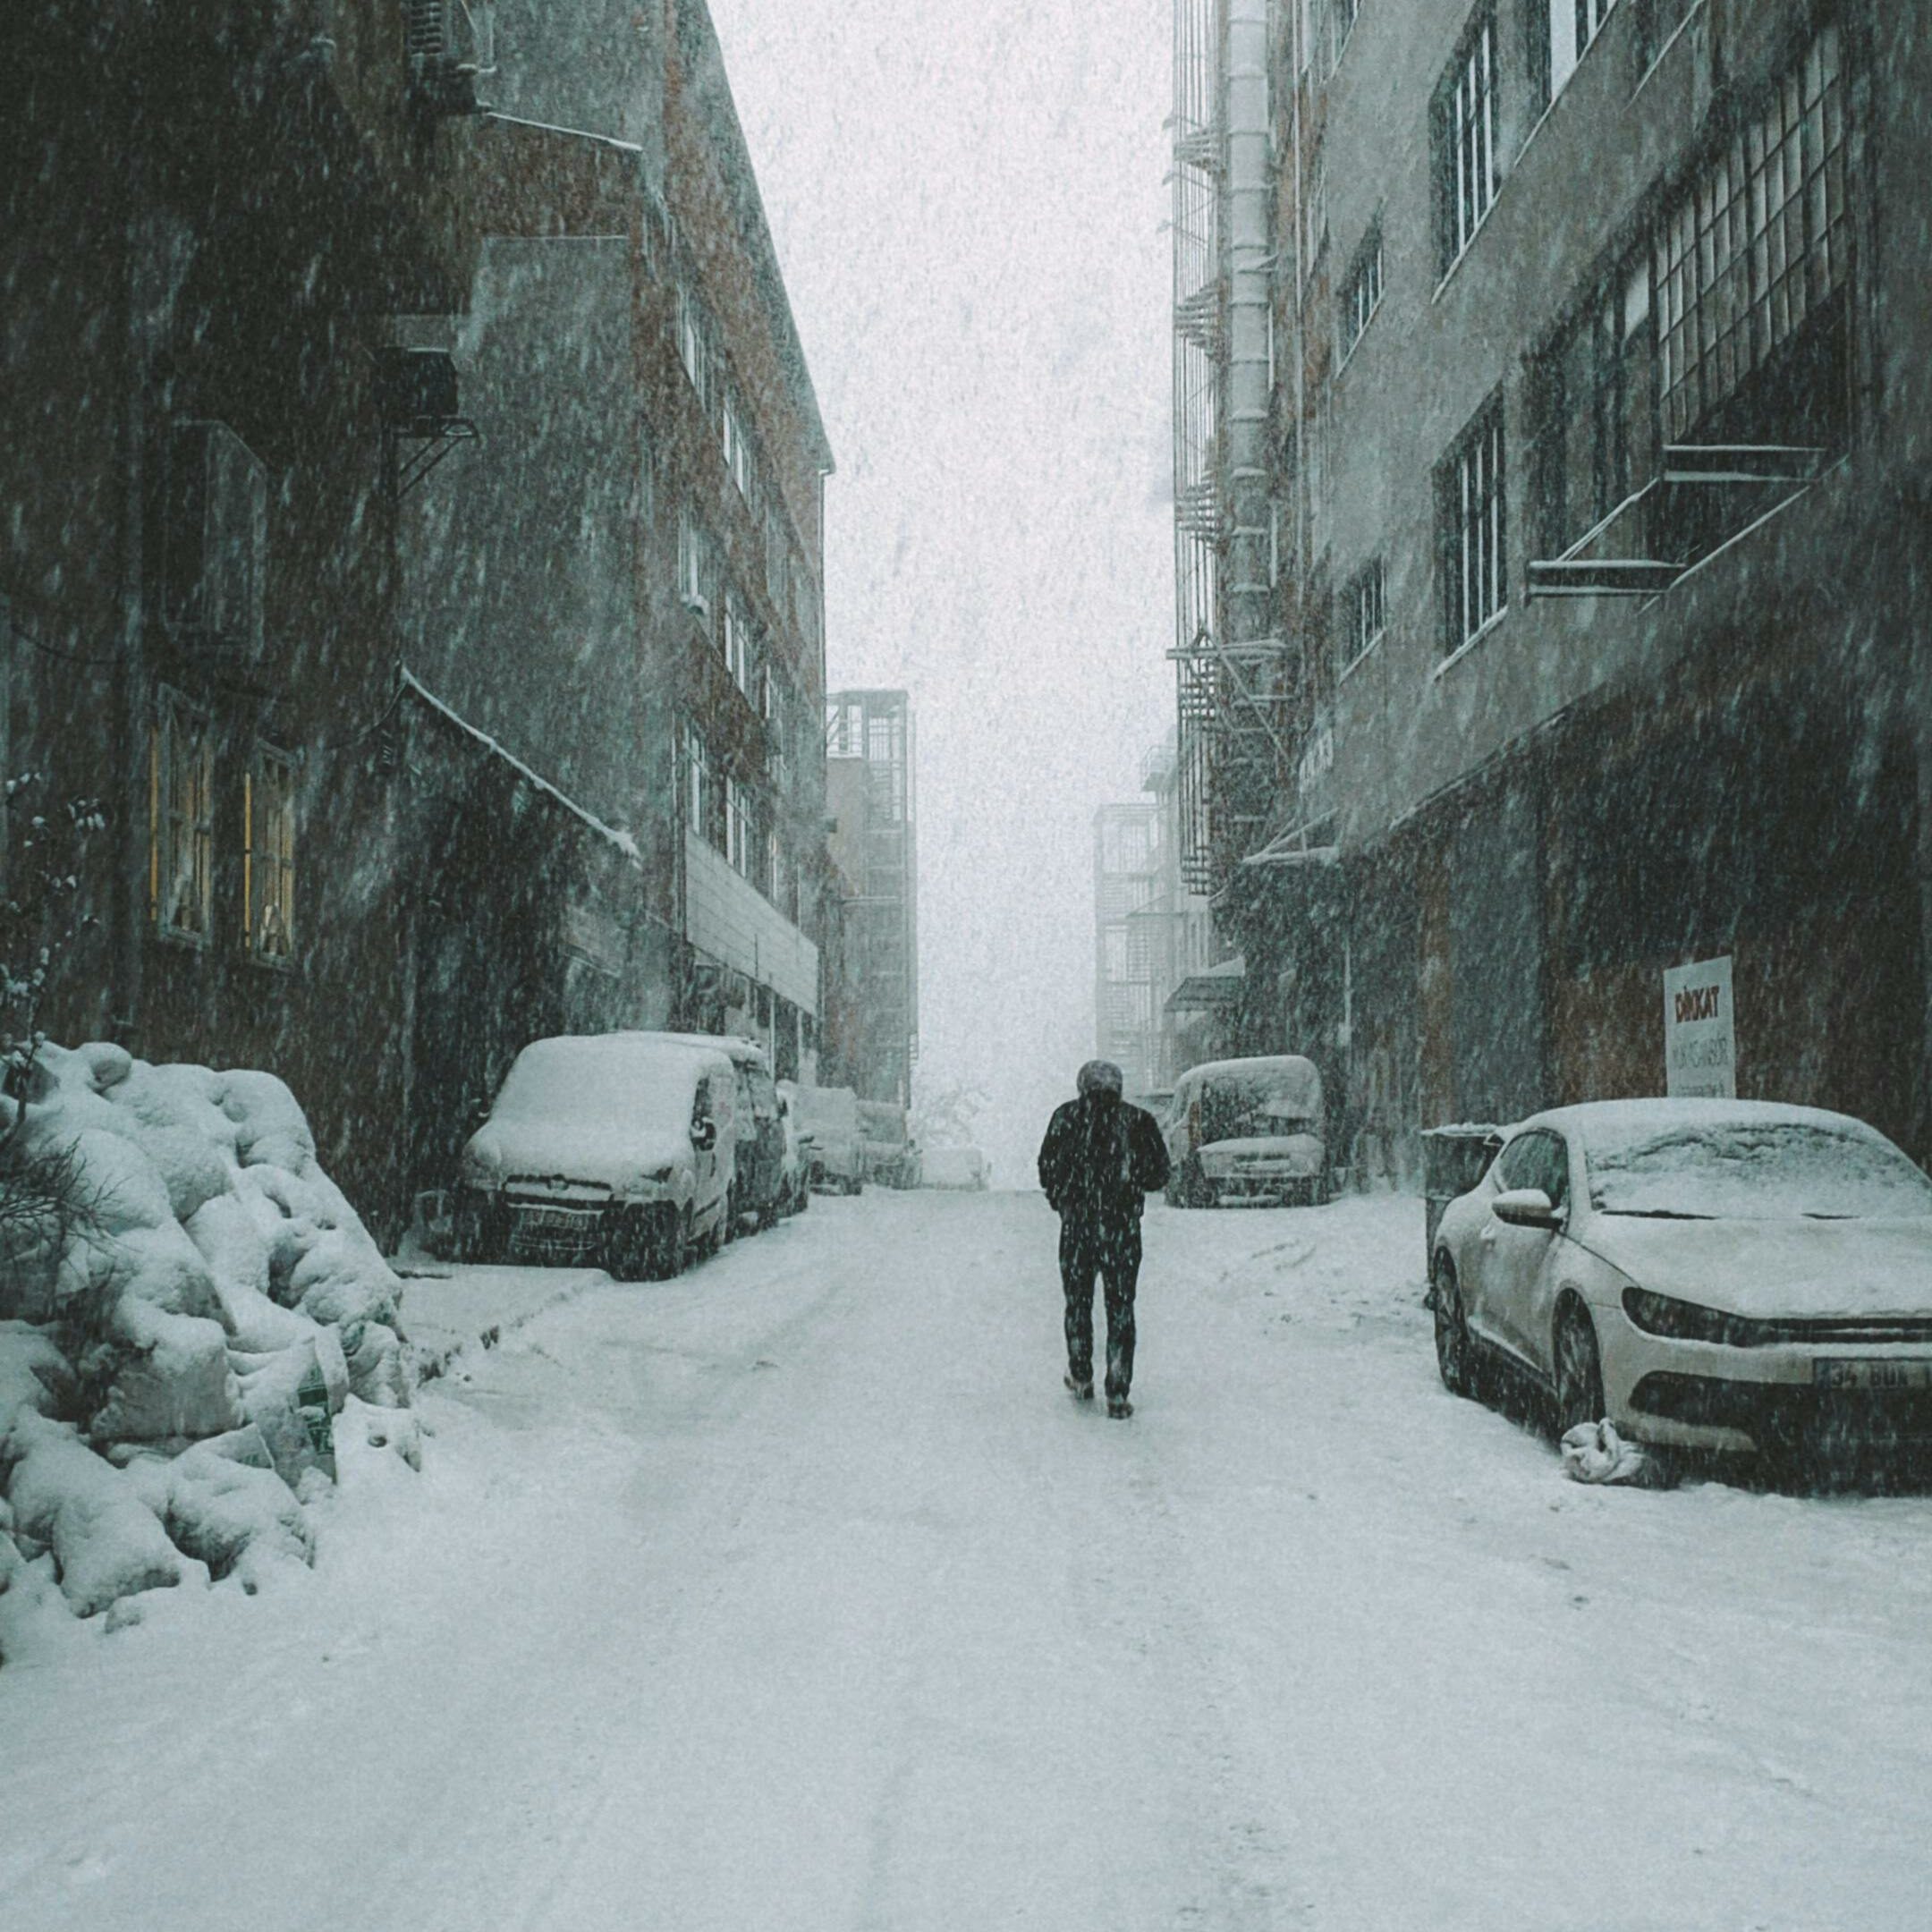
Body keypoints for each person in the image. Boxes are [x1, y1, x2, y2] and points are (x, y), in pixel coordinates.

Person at [1036, 1060, 1171, 1419]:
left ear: (1082, 1085)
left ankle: (1081, 1375)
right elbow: (1160, 1173)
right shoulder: (1138, 1121)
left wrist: (1064, 1201)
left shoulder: (1066, 1118)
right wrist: (1131, 1185)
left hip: (1078, 1230)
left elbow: (1047, 1167)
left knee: (1078, 1304)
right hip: (1122, 1230)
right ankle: (1118, 1388)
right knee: (1121, 1307)